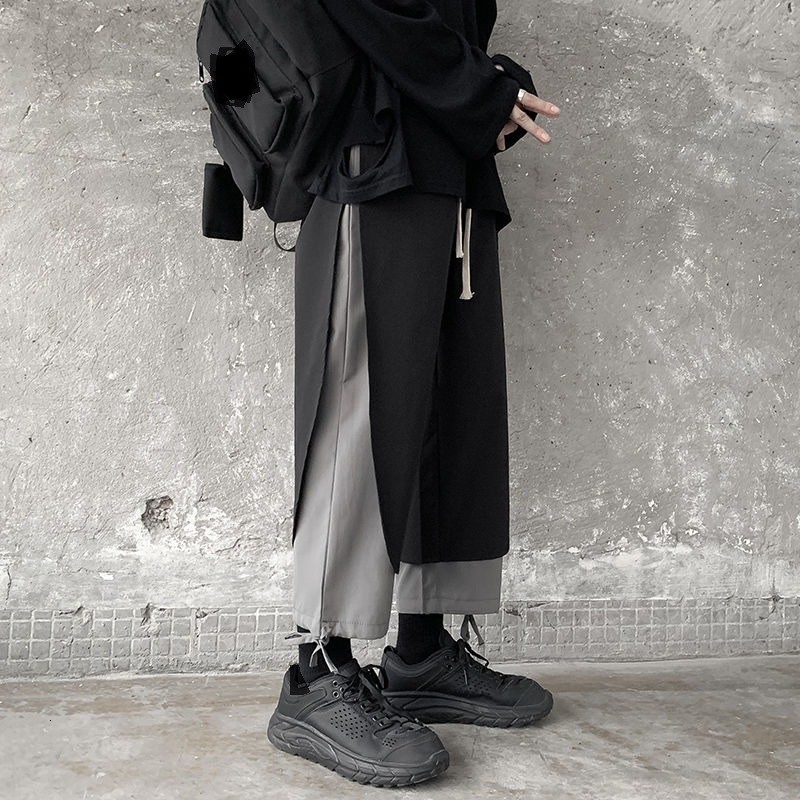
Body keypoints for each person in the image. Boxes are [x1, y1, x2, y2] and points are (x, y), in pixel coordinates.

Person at [266, 0, 561, 787]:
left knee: (448, 409)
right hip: (370, 151)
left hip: (448, 160)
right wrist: (476, 90)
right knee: (357, 417)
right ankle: (318, 674)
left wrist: (489, 87)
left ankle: (422, 654)